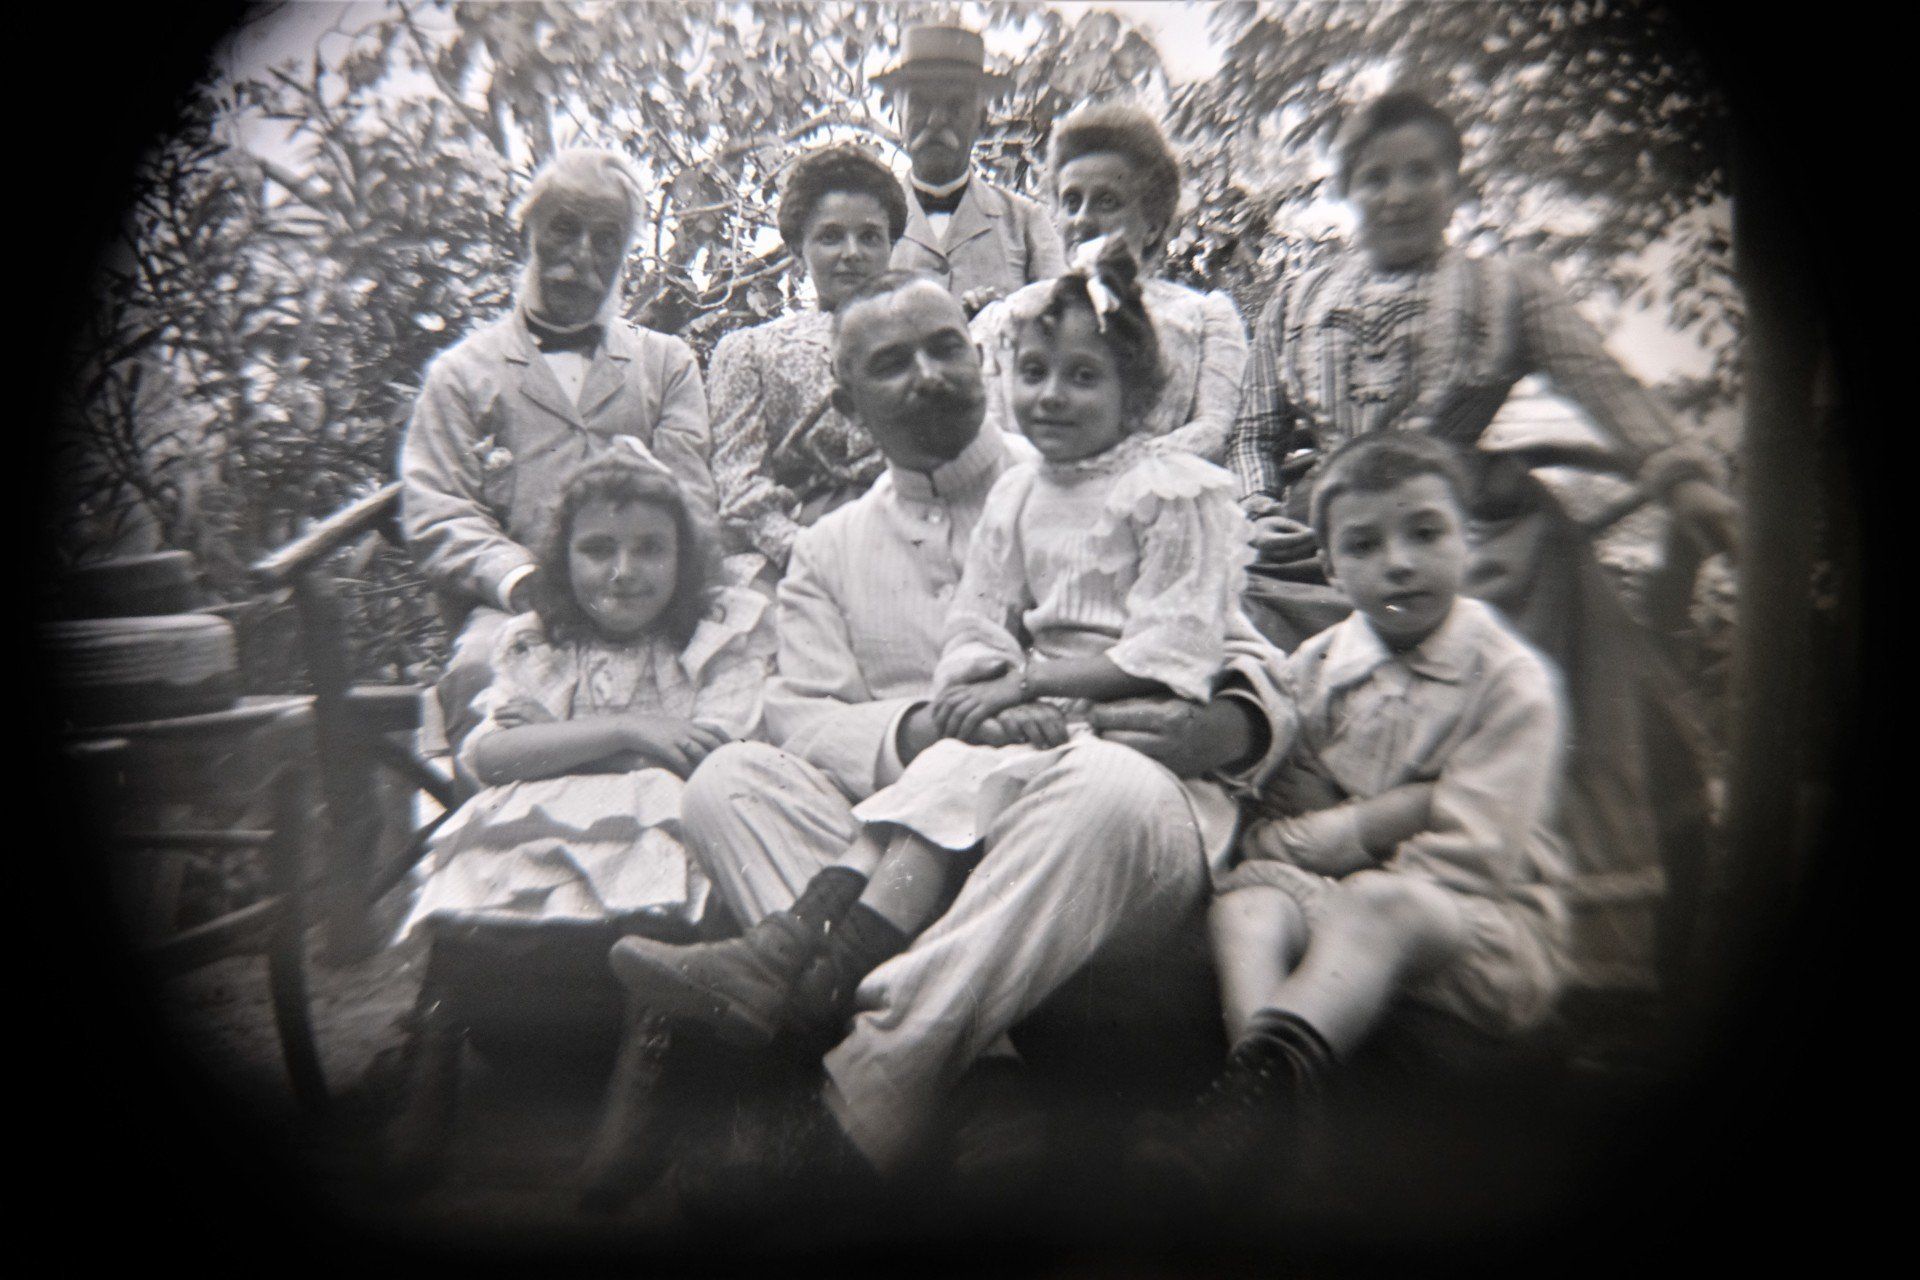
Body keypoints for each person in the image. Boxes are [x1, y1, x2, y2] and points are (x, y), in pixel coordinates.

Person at [608, 270, 1295, 1175]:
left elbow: (1241, 655)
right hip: (915, 828)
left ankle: (867, 1088)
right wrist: (929, 731)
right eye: (891, 363)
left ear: (980, 360)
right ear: (847, 403)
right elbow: (804, 719)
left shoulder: (1108, 479)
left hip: (1099, 837)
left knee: (1109, 785)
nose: (927, 374)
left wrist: (1227, 728)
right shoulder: (828, 550)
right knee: (724, 783)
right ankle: (978, 1079)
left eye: (944, 348)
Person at [1145, 433, 1569, 1186]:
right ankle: (1256, 1109)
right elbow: (1262, 833)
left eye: (1426, 533)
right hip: (1339, 914)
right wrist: (1392, 816)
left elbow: (1471, 858)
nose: (1399, 563)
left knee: (1380, 902)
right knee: (1245, 908)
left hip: (1471, 930)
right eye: (1365, 545)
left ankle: (1258, 1107)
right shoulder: (1313, 672)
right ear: (1332, 568)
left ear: (1468, 541)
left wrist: (1337, 833)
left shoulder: (1510, 682)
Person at [1225, 90, 1738, 648]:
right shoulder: (1296, 299)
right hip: (1325, 530)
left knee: (1494, 621)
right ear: (1348, 191)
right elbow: (1254, 433)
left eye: (1421, 173)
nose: (1398, 195)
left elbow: (1603, 383)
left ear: (1454, 187)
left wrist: (1679, 475)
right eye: (1375, 178)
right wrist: (1258, 510)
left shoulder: (1508, 287)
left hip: (1465, 527)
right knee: (1233, 601)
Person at [401, 148, 717, 758]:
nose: (582, 256)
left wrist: (661, 584)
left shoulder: (664, 364)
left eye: (606, 239)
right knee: (481, 677)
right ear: (528, 231)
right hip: (523, 609)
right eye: (564, 230)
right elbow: (437, 509)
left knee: (727, 659)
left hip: (645, 594)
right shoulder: (462, 373)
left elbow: (691, 493)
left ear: (625, 252)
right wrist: (522, 580)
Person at [398, 453, 771, 942]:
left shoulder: (716, 636)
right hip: (548, 837)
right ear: (563, 560)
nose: (623, 571)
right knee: (494, 916)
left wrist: (557, 741)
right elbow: (491, 757)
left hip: (670, 835)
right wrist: (630, 731)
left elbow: (708, 758)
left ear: (683, 559)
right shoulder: (542, 641)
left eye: (650, 549)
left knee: (652, 900)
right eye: (598, 550)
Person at [972, 102, 1249, 461]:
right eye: (1071, 202)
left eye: (1106, 201)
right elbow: (988, 432)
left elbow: (1215, 431)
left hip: (1161, 489)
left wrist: (1111, 473)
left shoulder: (1206, 317)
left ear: (1152, 224)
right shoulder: (1015, 313)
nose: (1082, 219)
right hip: (1034, 489)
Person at [707, 144, 911, 573]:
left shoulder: (923, 343)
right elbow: (740, 487)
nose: (852, 252)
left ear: (891, 245)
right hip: (794, 557)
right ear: (799, 250)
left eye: (870, 236)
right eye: (830, 236)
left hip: (911, 547)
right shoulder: (750, 350)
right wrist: (807, 557)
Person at [877, 23, 1067, 315]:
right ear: (899, 115)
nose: (936, 120)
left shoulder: (1025, 221)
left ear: (981, 120)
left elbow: (1062, 321)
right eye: (920, 104)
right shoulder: (871, 224)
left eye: (955, 105)